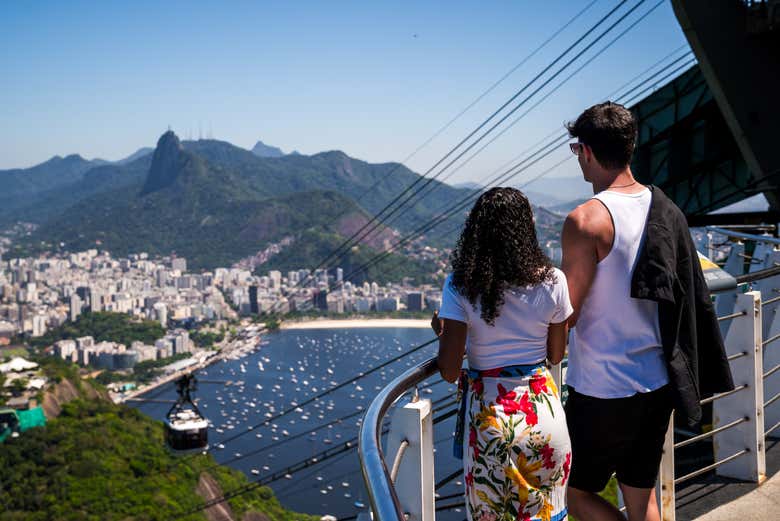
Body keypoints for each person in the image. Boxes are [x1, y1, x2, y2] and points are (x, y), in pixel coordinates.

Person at [561, 102, 734, 521]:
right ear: (630, 147)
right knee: (644, 500)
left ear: (585, 151)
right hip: (656, 383)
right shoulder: (666, 210)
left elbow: (565, 311)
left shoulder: (586, 221)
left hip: (601, 389)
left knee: (574, 495)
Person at [432, 187, 573, 521]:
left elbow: (450, 371)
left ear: (475, 232)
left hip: (491, 424)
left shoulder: (460, 285)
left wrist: (446, 334)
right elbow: (556, 354)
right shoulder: (554, 280)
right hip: (544, 416)